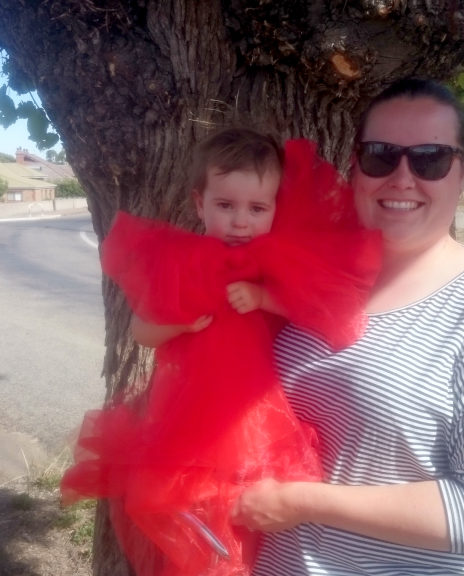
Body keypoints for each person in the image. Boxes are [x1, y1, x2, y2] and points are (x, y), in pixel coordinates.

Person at [232, 78, 464, 575]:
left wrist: (304, 503)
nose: (402, 177)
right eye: (381, 154)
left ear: (463, 171)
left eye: (430, 158)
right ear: (356, 165)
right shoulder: (312, 272)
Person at [60, 127, 382, 576]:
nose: (241, 222)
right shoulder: (183, 262)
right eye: (225, 206)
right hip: (185, 421)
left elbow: (318, 310)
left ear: (274, 209)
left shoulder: (274, 264)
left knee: (246, 527)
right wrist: (180, 322)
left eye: (257, 208)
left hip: (252, 423)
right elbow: (140, 333)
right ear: (199, 203)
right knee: (193, 526)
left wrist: (263, 297)